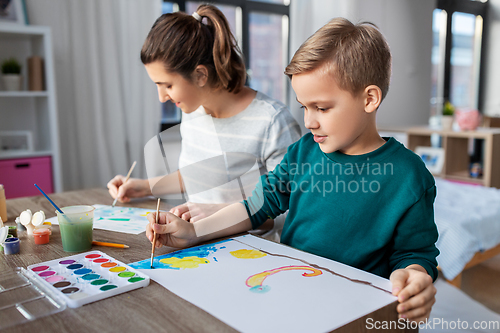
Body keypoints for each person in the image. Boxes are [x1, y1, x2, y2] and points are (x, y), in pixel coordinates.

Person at [145, 18, 439, 323]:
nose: (310, 121)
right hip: (288, 295)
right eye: (304, 107)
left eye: (322, 108)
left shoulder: (409, 176)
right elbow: (257, 206)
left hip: (354, 314)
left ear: (369, 99)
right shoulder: (304, 151)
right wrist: (194, 231)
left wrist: (416, 277)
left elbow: (415, 254)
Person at [107, 4, 301, 241]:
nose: (162, 97)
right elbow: (198, 174)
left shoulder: (273, 121)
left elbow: (291, 208)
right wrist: (144, 186)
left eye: (167, 85)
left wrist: (221, 212)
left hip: (250, 254)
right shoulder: (192, 110)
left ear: (200, 75)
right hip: (197, 244)